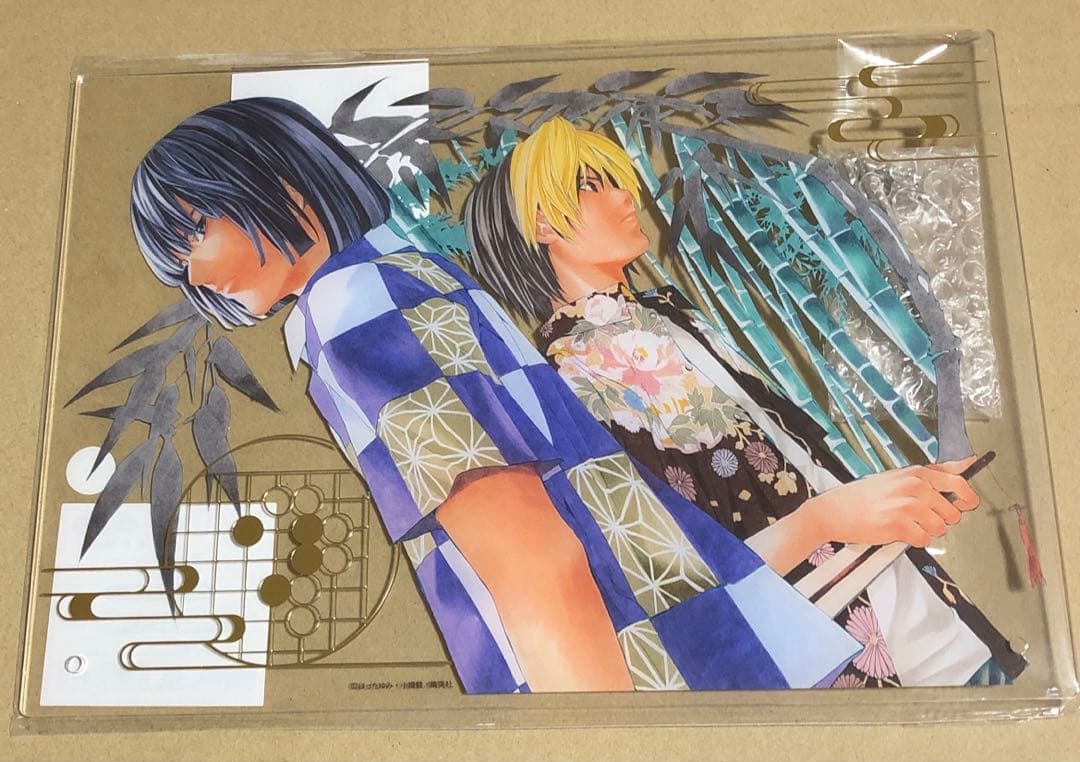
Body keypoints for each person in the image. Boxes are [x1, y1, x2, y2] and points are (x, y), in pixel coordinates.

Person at [129, 97, 867, 694]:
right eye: (176, 257)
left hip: (622, 675)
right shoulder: (411, 272)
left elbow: (526, 551)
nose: (194, 274)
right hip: (696, 646)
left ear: (282, 184)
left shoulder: (352, 312)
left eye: (195, 230)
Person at [464, 116, 1025, 687]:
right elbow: (668, 572)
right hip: (819, 638)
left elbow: (786, 446)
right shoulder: (568, 379)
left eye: (616, 180)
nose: (623, 196)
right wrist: (824, 519)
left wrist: (895, 493)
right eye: (591, 186)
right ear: (541, 224)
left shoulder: (666, 313)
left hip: (902, 589)